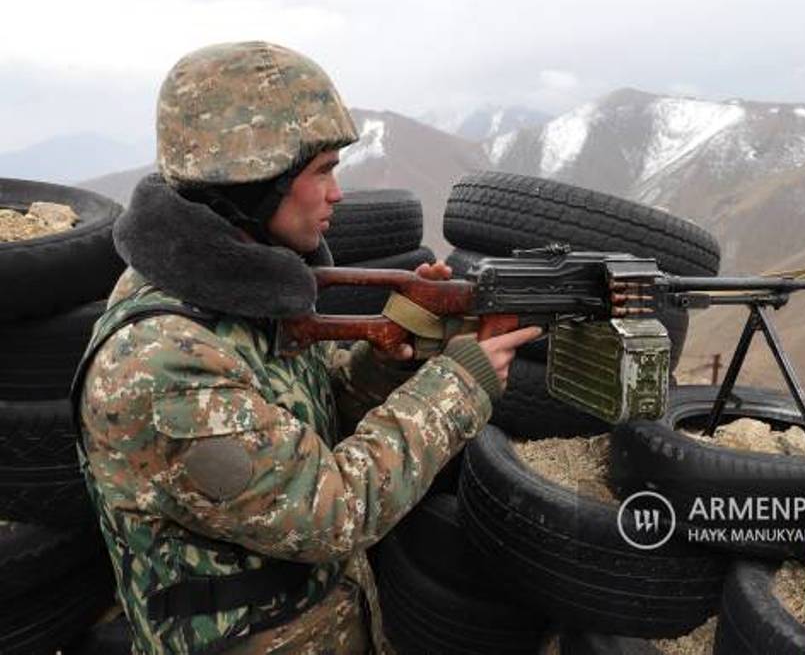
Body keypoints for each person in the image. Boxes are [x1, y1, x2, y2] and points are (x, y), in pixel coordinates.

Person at [73, 41, 541, 654]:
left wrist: (386, 353)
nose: (337, 194)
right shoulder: (163, 362)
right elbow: (332, 513)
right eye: (321, 171)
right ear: (253, 182)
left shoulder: (232, 294)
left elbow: (304, 415)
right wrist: (460, 385)